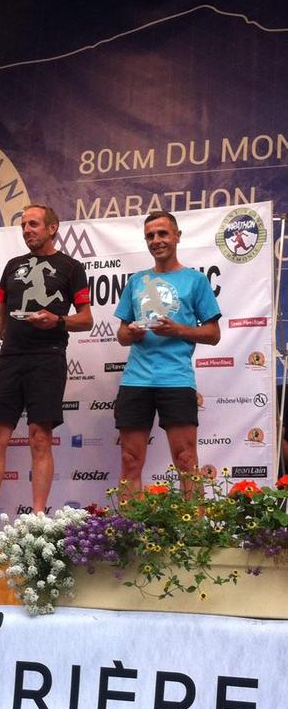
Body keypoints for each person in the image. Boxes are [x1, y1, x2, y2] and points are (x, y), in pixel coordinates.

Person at [0, 204, 93, 515]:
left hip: (47, 358)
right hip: (9, 357)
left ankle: (38, 518)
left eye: (33, 224)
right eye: (23, 225)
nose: (27, 230)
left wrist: (57, 320)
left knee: (40, 438)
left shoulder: (71, 267)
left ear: (52, 228)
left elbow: (87, 319)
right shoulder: (12, 266)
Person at [114, 210, 221, 498]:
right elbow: (121, 335)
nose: (156, 240)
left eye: (162, 233)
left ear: (177, 236)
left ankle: (194, 527)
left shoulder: (196, 281)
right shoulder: (137, 281)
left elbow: (213, 334)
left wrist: (177, 330)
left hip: (176, 379)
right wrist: (132, 333)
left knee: (186, 460)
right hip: (135, 380)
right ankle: (129, 526)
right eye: (150, 236)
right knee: (129, 461)